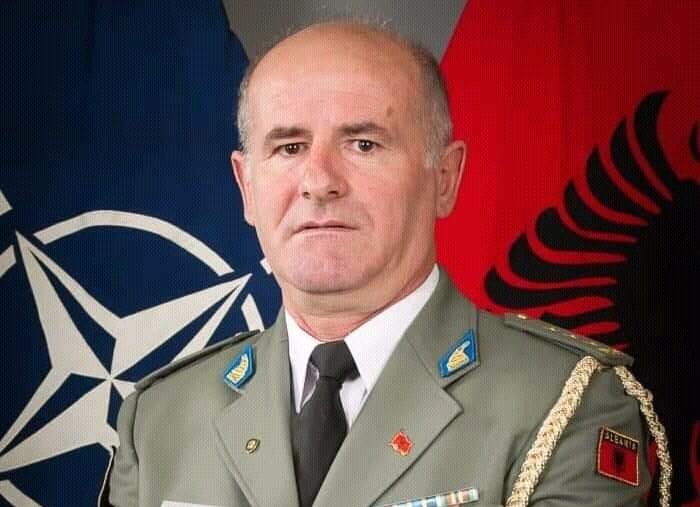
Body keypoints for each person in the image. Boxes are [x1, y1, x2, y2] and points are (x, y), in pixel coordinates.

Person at [107, 20, 669, 507]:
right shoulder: (159, 422)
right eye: (289, 147)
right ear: (246, 187)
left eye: (363, 144)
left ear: (444, 178)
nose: (319, 181)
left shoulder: (564, 406)